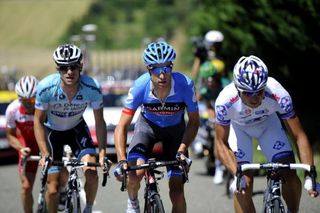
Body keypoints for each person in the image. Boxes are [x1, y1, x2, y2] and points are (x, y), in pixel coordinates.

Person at [214, 55, 319, 213]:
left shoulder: (278, 93)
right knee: (244, 184)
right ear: (237, 88)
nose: (255, 98)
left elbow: (299, 136)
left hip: (268, 125)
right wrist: (237, 173)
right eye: (248, 93)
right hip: (239, 129)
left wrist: (310, 175)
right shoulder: (225, 101)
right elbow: (220, 143)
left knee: (289, 174)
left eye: (259, 92)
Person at [114, 41, 199, 213]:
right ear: (148, 70)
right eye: (156, 69)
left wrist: (182, 150)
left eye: (167, 68)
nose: (162, 75)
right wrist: (122, 160)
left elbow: (194, 122)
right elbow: (121, 127)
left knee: (177, 194)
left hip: (175, 133)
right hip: (147, 130)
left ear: (171, 67)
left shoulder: (185, 85)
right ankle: (133, 203)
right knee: (134, 176)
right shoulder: (140, 86)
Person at [34, 43, 107, 213]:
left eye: (74, 66)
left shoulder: (92, 87)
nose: (69, 72)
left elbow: (100, 121)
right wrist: (45, 153)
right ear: (57, 68)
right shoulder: (46, 88)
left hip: (76, 129)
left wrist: (102, 153)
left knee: (91, 171)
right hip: (53, 133)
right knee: (53, 189)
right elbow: (38, 122)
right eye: (64, 68)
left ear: (80, 66)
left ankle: (88, 208)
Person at [5, 75, 39, 213]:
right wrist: (20, 148)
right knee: (25, 187)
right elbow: (10, 135)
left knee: (53, 185)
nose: (28, 103)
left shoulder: (45, 107)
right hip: (27, 148)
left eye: (31, 99)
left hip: (44, 146)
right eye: (24, 100)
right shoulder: (12, 110)